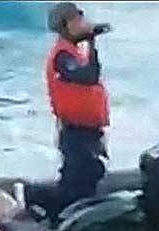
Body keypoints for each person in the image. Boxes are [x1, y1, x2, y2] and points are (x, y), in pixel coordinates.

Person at [45, 2, 111, 210]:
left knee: (89, 175)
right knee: (74, 184)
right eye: (77, 20)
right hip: (75, 131)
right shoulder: (62, 55)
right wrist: (91, 42)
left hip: (87, 129)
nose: (83, 23)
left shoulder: (72, 52)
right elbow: (88, 76)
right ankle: (30, 196)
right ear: (67, 25)